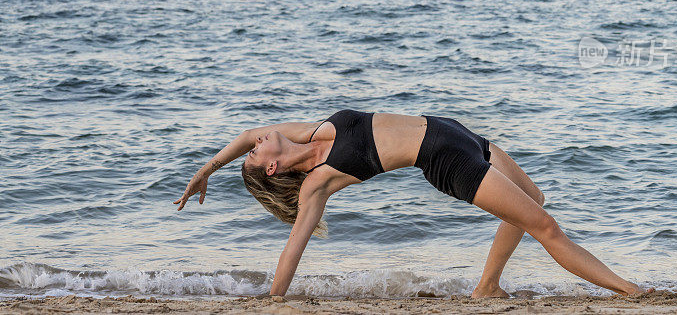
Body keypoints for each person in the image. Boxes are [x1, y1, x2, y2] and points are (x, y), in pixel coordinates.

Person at [174, 109, 651, 298]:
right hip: (443, 158)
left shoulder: (310, 132)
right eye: (256, 154)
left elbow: (241, 136)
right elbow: (294, 244)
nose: (256, 142)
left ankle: (487, 286)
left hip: (456, 132)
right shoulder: (315, 184)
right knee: (545, 225)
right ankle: (631, 293)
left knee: (534, 198)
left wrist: (206, 170)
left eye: (253, 148)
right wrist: (274, 300)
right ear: (272, 169)